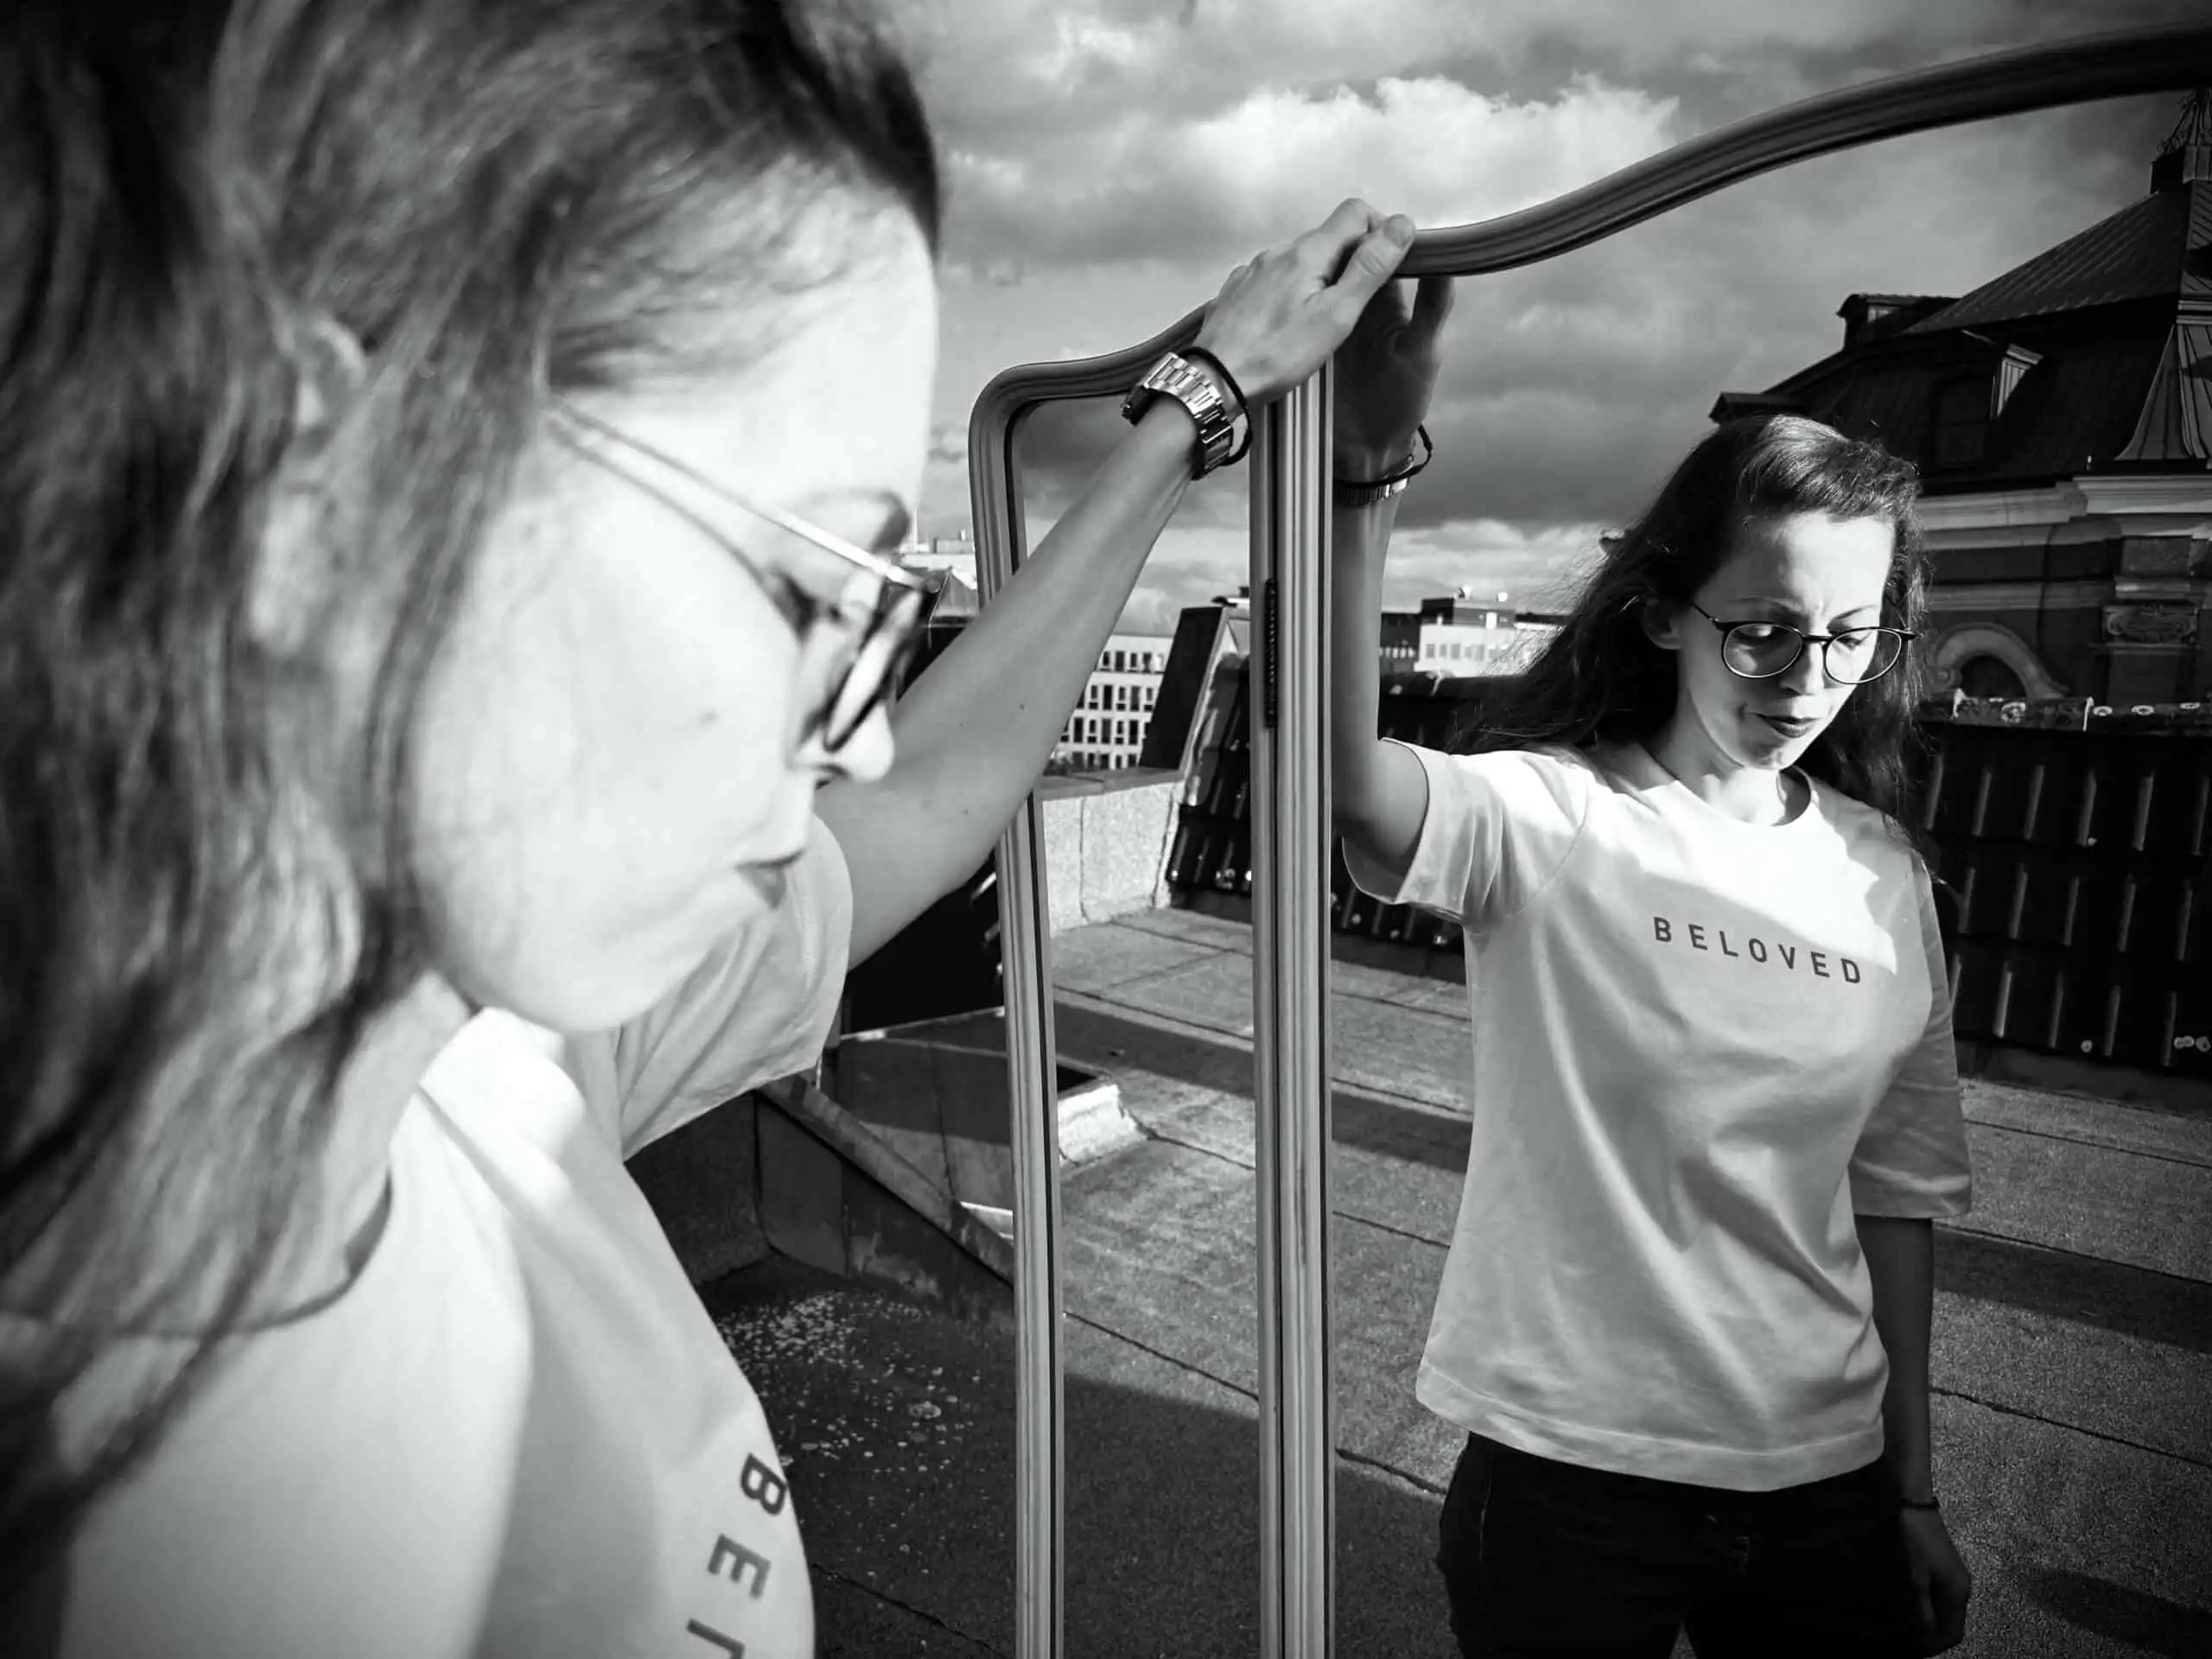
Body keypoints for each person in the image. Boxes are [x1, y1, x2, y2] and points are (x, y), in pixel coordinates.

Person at [0, 3, 1422, 1653]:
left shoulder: (500, 1050)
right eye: (810, 582)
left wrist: (1197, 402)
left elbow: (931, 794)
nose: (857, 724)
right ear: (314, 490)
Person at [1328, 279, 1977, 1657]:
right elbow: (1359, 795)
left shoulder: (1885, 877)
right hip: (1573, 1484)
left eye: (1852, 638)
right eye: (1766, 628)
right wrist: (1361, 483)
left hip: (1829, 1487)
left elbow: (1896, 1200)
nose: (1807, 677)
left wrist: (1911, 1488)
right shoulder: (1554, 818)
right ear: (1667, 611)